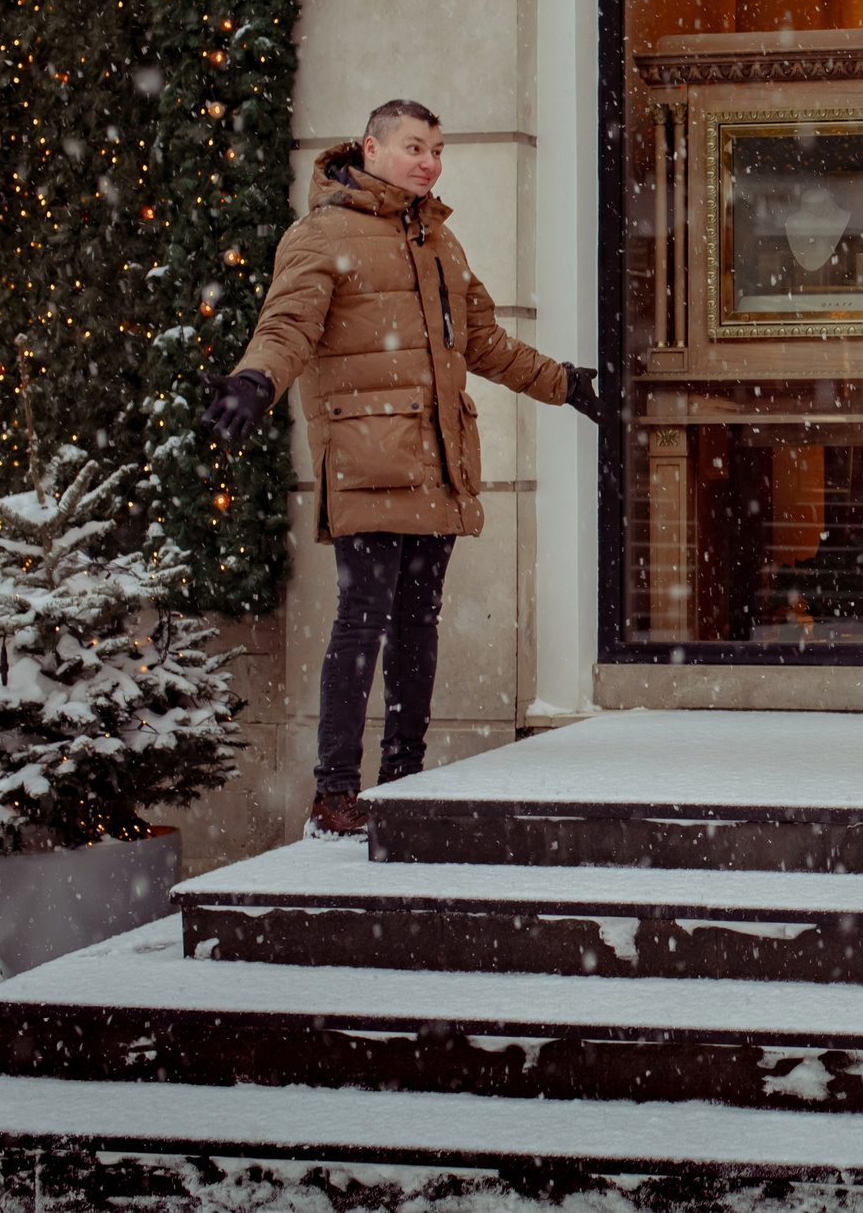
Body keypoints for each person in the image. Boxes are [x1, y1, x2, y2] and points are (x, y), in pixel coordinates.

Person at [201, 99, 600, 839]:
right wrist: (256, 380)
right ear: (372, 147)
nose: (430, 162)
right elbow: (286, 326)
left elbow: (482, 341)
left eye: (438, 150)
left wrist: (566, 383)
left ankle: (404, 777)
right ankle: (335, 794)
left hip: (436, 458)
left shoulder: (438, 239)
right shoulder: (319, 235)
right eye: (415, 147)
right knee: (363, 619)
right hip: (366, 459)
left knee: (417, 623)